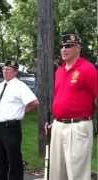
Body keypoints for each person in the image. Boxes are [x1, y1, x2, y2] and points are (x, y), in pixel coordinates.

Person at [48, 33, 98, 180]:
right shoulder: (59, 70)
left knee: (77, 174)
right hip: (58, 125)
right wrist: (55, 121)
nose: (64, 49)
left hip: (78, 126)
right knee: (56, 173)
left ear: (78, 48)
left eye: (68, 46)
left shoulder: (88, 69)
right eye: (62, 46)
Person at [0, 60, 39, 180]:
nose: (5, 71)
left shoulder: (20, 86)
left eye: (9, 69)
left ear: (15, 72)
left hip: (11, 127)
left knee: (14, 158)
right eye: (4, 69)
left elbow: (34, 103)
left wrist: (22, 112)